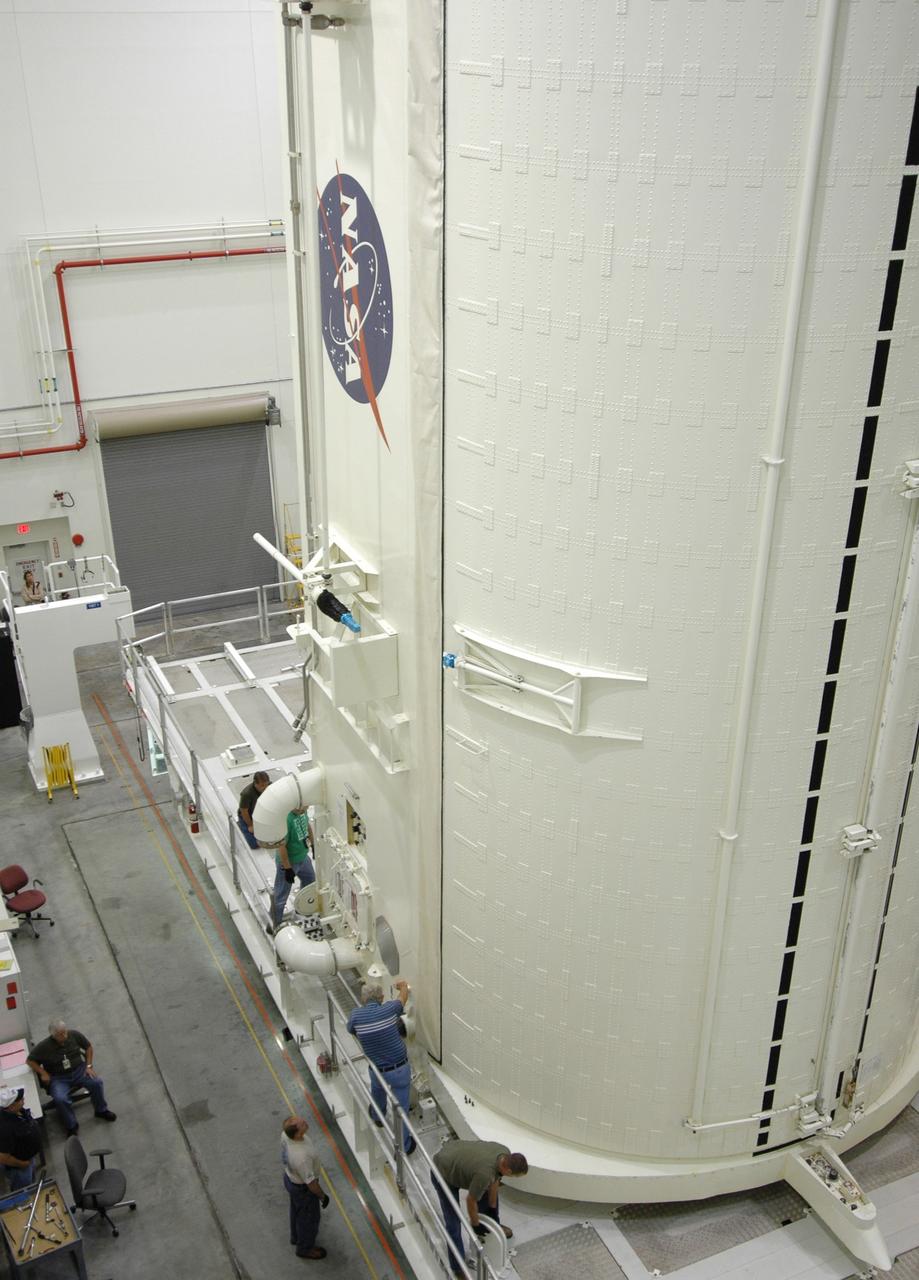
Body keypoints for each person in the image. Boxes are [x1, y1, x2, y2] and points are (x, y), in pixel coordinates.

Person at [431, 1140, 528, 1275]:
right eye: (513, 1175)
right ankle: (458, 1268)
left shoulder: (503, 1152)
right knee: (453, 1223)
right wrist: (476, 1224)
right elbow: (470, 1200)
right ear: (509, 1170)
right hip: (443, 1171)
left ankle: (494, 1228)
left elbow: (495, 1181)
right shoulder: (484, 1174)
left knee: (488, 1198)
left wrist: (492, 1211)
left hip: (459, 1158)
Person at [346, 980, 416, 1155]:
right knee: (401, 1108)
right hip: (399, 1069)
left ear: (363, 999)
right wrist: (403, 986)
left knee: (377, 1091)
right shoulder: (389, 1009)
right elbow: (403, 998)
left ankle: (378, 1117)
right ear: (382, 997)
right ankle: (404, 1146)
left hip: (377, 1069)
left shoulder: (356, 1015)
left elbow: (350, 1029)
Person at [27, 1020, 117, 1136]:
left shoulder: (74, 1035)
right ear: (53, 1035)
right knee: (60, 1098)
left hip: (79, 1070)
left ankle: (101, 1110)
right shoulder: (44, 1046)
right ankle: (71, 1125)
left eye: (65, 1032)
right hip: (59, 1078)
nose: (64, 1036)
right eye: (60, 1034)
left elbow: (88, 1047)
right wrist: (43, 1072)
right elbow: (30, 1061)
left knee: (96, 1083)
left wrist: (88, 1066)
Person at [281, 1114, 329, 1261]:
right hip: (304, 1189)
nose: (305, 1122)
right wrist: (322, 1196)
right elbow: (311, 1184)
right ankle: (305, 1249)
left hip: (291, 1179)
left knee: (296, 1211)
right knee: (309, 1219)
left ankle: (296, 1237)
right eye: (302, 1124)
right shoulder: (301, 1157)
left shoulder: (285, 1135)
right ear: (296, 1133)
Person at [271, 805, 315, 927]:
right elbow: (281, 846)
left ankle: (302, 909)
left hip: (302, 857)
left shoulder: (302, 811)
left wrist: (313, 844)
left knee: (310, 882)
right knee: (281, 895)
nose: (305, 808)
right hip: (289, 862)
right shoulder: (286, 820)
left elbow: (307, 826)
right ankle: (275, 924)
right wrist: (287, 868)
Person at [0, 1086, 42, 1190]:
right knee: (23, 1190)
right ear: (11, 1106)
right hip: (20, 1168)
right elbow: (2, 1157)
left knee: (31, 1184)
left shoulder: (16, 1111)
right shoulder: (6, 1129)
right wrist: (22, 1164)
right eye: (20, 1099)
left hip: (28, 1158)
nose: (23, 1099)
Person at [237, 771, 270, 850]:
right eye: (262, 785)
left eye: (266, 785)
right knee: (254, 844)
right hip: (248, 815)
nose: (265, 788)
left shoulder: (269, 786)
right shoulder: (246, 794)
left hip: (260, 812)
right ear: (255, 783)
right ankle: (240, 825)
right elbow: (244, 811)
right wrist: (250, 825)